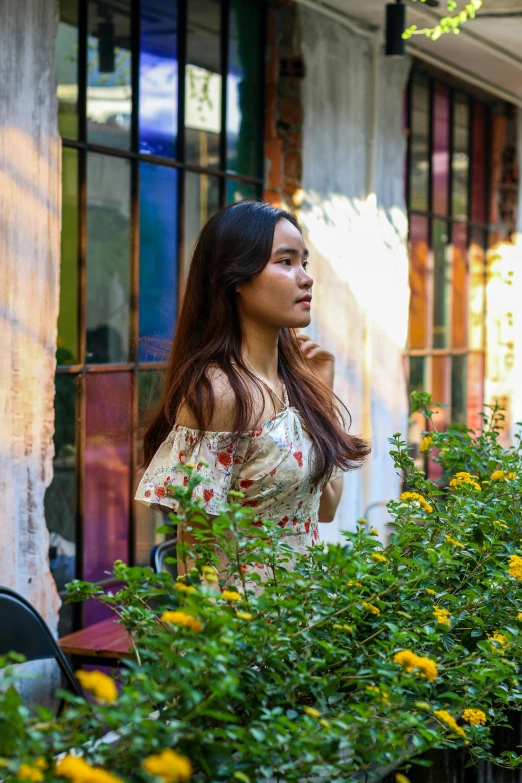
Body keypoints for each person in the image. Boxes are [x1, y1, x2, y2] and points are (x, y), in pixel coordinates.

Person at [135, 200, 370, 579]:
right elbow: (194, 558)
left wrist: (319, 394)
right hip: (244, 628)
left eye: (304, 263)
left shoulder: (294, 385)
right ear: (237, 279)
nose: (305, 277)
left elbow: (325, 509)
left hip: (302, 618)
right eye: (285, 262)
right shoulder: (219, 394)